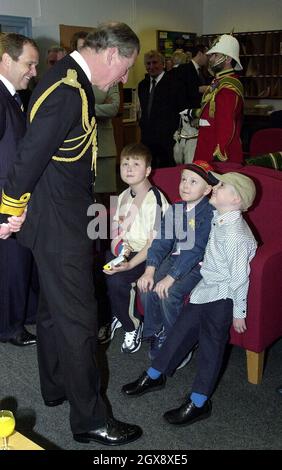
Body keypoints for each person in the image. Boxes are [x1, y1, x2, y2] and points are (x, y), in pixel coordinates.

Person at [0, 22, 142, 446]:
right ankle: (91, 420)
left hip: (54, 220)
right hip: (62, 227)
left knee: (51, 311)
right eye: (125, 68)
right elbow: (28, 158)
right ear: (113, 54)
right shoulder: (69, 92)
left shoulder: (63, 80)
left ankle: (57, 386)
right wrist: (8, 209)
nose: (124, 78)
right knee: (80, 319)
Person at [122, 171, 257, 427]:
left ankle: (198, 401)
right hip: (205, 289)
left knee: (211, 347)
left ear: (236, 199)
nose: (216, 187)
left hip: (223, 297)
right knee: (179, 333)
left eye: (222, 186)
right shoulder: (219, 216)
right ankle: (155, 374)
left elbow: (240, 278)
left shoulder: (236, 234)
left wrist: (239, 312)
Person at [138, 161, 216, 360]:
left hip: (196, 264)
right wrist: (150, 270)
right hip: (174, 258)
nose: (185, 185)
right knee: (147, 285)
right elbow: (162, 240)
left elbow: (195, 250)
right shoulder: (176, 208)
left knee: (169, 293)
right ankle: (158, 331)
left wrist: (171, 277)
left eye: (193, 181)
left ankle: (180, 342)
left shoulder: (209, 213)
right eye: (183, 179)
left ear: (207, 189)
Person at [103, 143, 169, 353]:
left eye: (136, 164)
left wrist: (129, 262)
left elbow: (155, 244)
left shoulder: (155, 200)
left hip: (149, 256)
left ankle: (132, 325)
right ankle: (118, 314)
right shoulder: (123, 196)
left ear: (148, 170)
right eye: (125, 164)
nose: (129, 169)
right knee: (103, 267)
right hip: (128, 250)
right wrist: (119, 250)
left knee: (117, 279)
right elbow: (117, 228)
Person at [0, 33, 39, 347]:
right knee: (10, 265)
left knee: (19, 262)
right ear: (6, 60)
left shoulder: (12, 96)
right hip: (5, 201)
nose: (34, 71)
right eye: (29, 64)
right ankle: (9, 327)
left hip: (16, 199)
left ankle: (23, 314)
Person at [189, 35, 244, 164]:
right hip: (205, 147)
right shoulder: (218, 82)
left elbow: (226, 125)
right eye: (211, 55)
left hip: (216, 154)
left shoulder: (228, 87)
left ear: (228, 58)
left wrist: (220, 153)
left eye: (216, 55)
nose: (211, 59)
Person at [138, 50, 185, 168]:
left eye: (155, 63)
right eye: (148, 64)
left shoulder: (175, 84)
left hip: (167, 139)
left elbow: (180, 110)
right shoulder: (142, 85)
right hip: (147, 138)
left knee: (167, 171)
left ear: (163, 64)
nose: (151, 66)